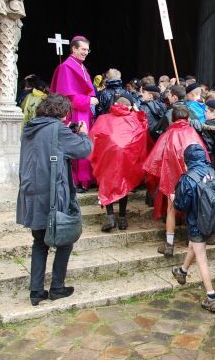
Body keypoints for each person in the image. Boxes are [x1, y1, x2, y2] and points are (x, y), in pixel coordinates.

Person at [16, 94, 93, 306]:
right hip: (53, 193)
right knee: (65, 240)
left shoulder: (30, 127)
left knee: (39, 242)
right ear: (61, 112)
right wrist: (84, 135)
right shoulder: (57, 129)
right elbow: (84, 150)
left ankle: (36, 291)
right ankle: (57, 287)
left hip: (31, 193)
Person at [143, 106, 209, 257]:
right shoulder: (193, 133)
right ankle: (190, 239)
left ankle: (169, 245)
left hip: (172, 178)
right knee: (192, 208)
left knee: (170, 210)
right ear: (188, 119)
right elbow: (204, 156)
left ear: (172, 118)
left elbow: (155, 158)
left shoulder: (167, 135)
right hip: (192, 179)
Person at [170, 144, 215, 313]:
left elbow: (182, 206)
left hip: (197, 222)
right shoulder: (211, 171)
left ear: (188, 160)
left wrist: (173, 199)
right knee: (194, 245)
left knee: (201, 257)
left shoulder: (187, 178)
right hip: (212, 219)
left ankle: (211, 296)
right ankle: (182, 271)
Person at [89, 97, 150, 232]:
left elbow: (93, 135)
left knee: (106, 184)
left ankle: (110, 217)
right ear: (129, 107)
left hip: (107, 157)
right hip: (126, 159)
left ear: (116, 104)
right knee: (124, 185)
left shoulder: (103, 118)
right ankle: (122, 218)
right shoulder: (134, 118)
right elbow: (144, 128)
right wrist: (138, 112)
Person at [50, 36, 98, 193]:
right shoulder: (66, 67)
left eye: (87, 50)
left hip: (84, 111)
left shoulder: (82, 66)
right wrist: (88, 100)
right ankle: (76, 180)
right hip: (74, 112)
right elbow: (67, 96)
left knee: (85, 142)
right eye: (83, 49)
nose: (85, 52)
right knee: (76, 144)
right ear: (74, 49)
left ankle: (86, 180)